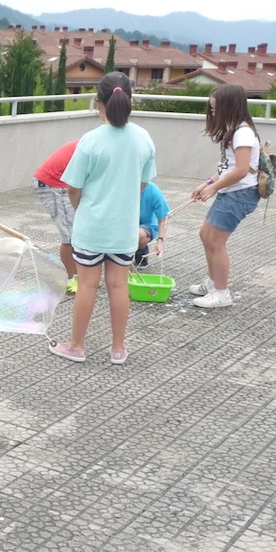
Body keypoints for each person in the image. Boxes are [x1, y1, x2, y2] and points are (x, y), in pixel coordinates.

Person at [48, 72, 157, 365]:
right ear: (130, 101)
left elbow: (73, 187)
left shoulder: (90, 140)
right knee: (119, 286)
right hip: (124, 229)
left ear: (99, 103)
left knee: (87, 285)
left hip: (91, 227)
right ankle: (118, 349)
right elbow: (143, 184)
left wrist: (82, 208)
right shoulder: (144, 138)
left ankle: (76, 346)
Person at [189, 84, 261, 308]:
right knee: (205, 235)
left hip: (240, 193)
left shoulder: (243, 133)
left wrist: (213, 188)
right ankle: (213, 283)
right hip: (231, 191)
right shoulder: (235, 129)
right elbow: (227, 168)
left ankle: (221, 293)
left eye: (215, 109)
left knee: (216, 241)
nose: (213, 113)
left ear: (230, 107)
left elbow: (241, 170)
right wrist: (207, 184)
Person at [33, 140, 79, 293]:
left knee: (78, 232)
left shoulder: (98, 143)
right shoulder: (95, 146)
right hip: (53, 183)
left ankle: (79, 277)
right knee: (69, 235)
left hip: (64, 182)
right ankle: (70, 279)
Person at [135, 181, 170, 268]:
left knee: (139, 234)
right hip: (127, 223)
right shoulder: (123, 187)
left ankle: (141, 251)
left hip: (148, 225)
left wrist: (160, 240)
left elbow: (162, 219)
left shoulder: (153, 190)